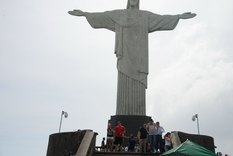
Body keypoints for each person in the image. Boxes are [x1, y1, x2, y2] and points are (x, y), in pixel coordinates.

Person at [68, 0, 196, 116]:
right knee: (123, 81)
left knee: (138, 84)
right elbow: (103, 16)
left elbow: (161, 19)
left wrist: (178, 17)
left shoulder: (145, 16)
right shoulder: (119, 15)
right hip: (124, 55)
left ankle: (138, 113)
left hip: (139, 57)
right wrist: (85, 14)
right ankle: (122, 112)